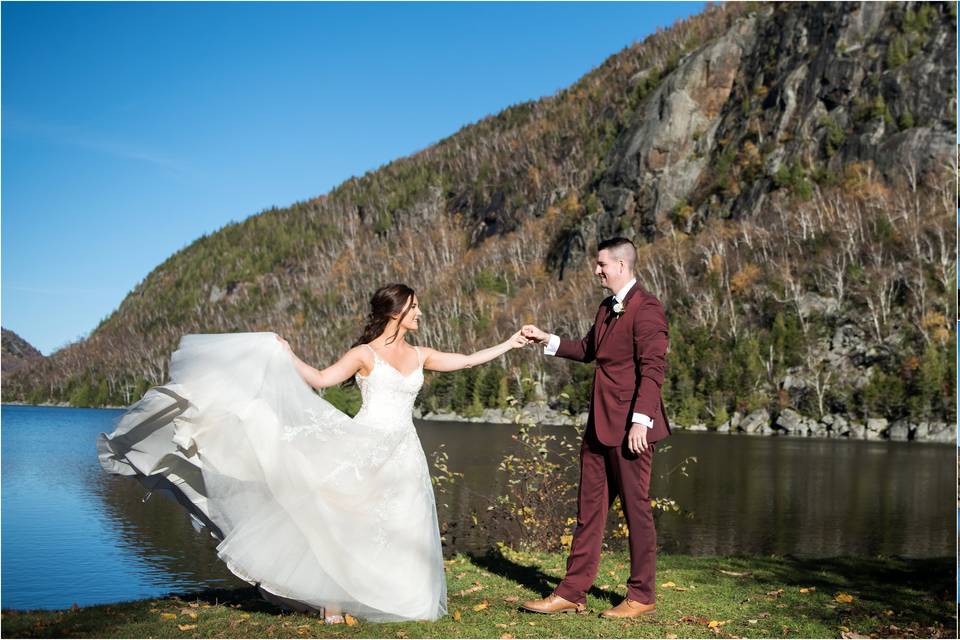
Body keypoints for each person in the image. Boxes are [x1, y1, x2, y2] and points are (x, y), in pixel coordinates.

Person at [98, 283, 528, 622]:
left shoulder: (420, 354)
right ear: (396, 311)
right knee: (342, 522)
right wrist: (286, 356)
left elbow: (469, 361)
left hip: (404, 450)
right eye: (414, 307)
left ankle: (404, 600)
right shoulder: (364, 354)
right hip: (364, 445)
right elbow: (321, 379)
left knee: (403, 523)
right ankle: (332, 602)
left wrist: (510, 344)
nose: (420, 313)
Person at [519, 237, 670, 619]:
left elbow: (653, 370)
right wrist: (547, 339)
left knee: (637, 511)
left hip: (631, 430)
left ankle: (642, 596)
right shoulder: (606, 307)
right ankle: (572, 591)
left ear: (621, 265)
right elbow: (589, 350)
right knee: (588, 512)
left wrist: (641, 421)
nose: (596, 270)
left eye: (601, 264)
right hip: (599, 426)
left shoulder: (648, 309)